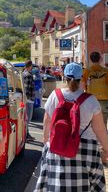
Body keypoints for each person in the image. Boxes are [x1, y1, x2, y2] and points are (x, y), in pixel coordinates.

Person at [34, 62, 108, 191]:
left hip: (57, 146)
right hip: (86, 150)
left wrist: (47, 145)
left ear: (64, 77)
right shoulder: (91, 100)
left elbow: (47, 123)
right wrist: (107, 149)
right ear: (82, 78)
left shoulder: (54, 96)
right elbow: (100, 129)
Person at [82, 51, 108, 127]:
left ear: (91, 60)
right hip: (105, 100)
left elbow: (83, 85)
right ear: (100, 59)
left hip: (91, 100)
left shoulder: (87, 71)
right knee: (103, 123)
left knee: (92, 124)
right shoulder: (106, 71)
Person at [23, 60, 35, 141]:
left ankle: (26, 134)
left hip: (27, 99)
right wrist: (28, 99)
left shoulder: (24, 73)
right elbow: (27, 88)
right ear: (30, 66)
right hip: (29, 99)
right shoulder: (28, 75)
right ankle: (26, 135)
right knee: (28, 118)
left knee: (26, 118)